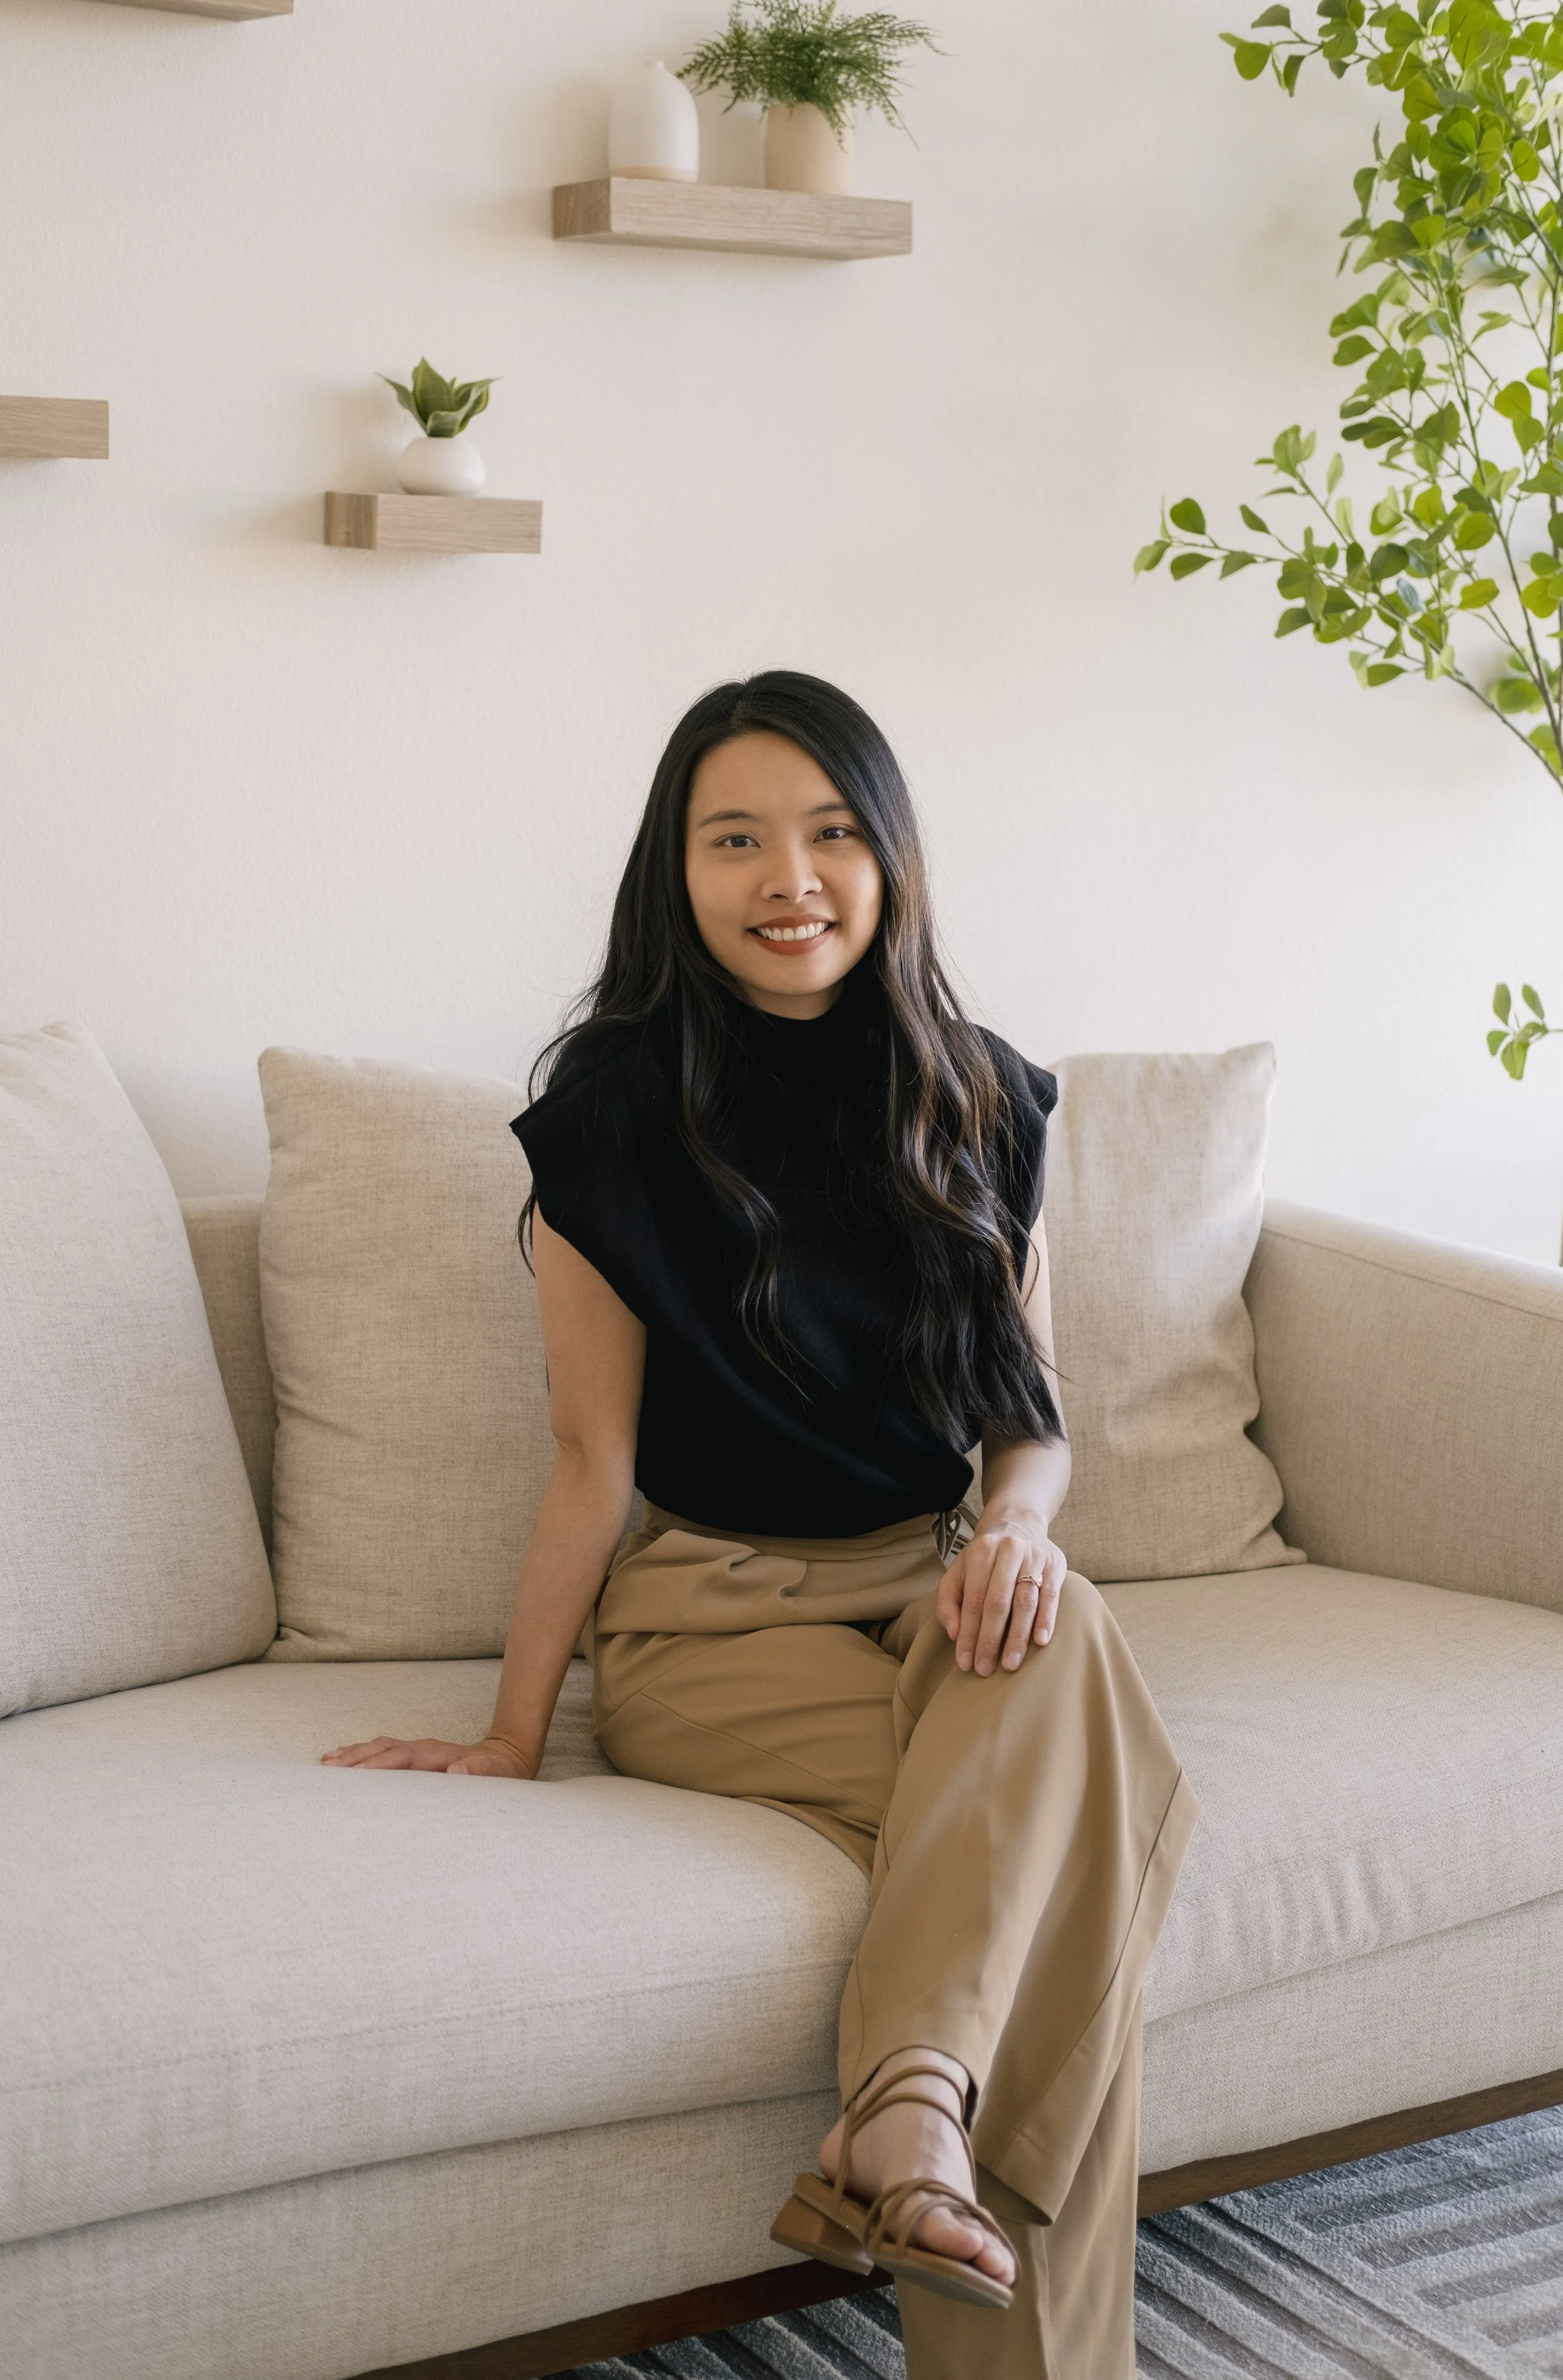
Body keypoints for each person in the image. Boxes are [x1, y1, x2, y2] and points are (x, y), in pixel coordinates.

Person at [324, 672, 1199, 2378]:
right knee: (1073, 1836)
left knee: (1057, 1618)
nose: (787, 875)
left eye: (829, 831)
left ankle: (907, 2118)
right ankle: (932, 2132)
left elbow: (1031, 1418)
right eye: (736, 838)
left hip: (937, 1594)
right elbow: (591, 1459)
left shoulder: (985, 1095)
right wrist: (515, 1728)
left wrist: (1018, 1528)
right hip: (708, 1626)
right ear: (678, 870)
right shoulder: (607, 1116)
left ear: (889, 860)